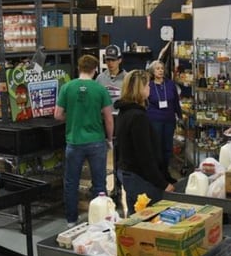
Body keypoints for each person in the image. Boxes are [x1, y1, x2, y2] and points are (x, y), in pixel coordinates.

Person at [55, 55, 114, 228]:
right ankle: (99, 220)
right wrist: (109, 139)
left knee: (71, 182)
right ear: (95, 70)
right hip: (96, 141)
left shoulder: (67, 88)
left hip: (74, 142)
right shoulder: (100, 89)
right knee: (99, 183)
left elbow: (58, 115)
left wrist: (73, 117)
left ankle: (71, 220)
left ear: (78, 68)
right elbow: (109, 119)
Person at [115, 70, 176, 214]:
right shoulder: (138, 117)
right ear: (140, 88)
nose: (150, 88)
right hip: (140, 178)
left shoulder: (124, 112)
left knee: (134, 217)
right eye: (147, 85)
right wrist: (163, 183)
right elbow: (145, 156)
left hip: (128, 173)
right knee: (149, 218)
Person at [146, 60, 182, 182]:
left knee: (167, 148)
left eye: (162, 68)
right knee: (157, 147)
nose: (160, 70)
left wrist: (180, 116)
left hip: (169, 120)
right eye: (157, 69)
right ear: (152, 71)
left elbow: (176, 101)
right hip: (154, 120)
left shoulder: (170, 84)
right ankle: (157, 174)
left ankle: (165, 173)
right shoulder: (149, 85)